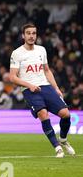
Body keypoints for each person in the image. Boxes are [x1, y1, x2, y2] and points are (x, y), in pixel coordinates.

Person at [9, 23, 75, 158]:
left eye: (34, 33)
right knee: (43, 114)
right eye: (28, 33)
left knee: (66, 114)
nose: (31, 36)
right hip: (29, 90)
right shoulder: (17, 53)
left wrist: (56, 88)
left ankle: (63, 140)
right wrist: (29, 85)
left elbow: (47, 70)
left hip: (45, 86)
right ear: (23, 35)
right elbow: (12, 77)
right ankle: (57, 147)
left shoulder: (41, 50)